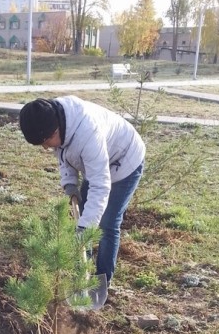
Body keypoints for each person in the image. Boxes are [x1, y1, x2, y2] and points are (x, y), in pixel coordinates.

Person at [19, 95, 145, 287]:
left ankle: (101, 281)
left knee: (107, 223)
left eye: (45, 141)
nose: (45, 147)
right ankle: (82, 277)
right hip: (97, 163)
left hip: (125, 160)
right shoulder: (54, 118)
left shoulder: (88, 133)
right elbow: (63, 153)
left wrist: (85, 228)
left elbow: (100, 185)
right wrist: (69, 183)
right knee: (83, 218)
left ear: (55, 131)